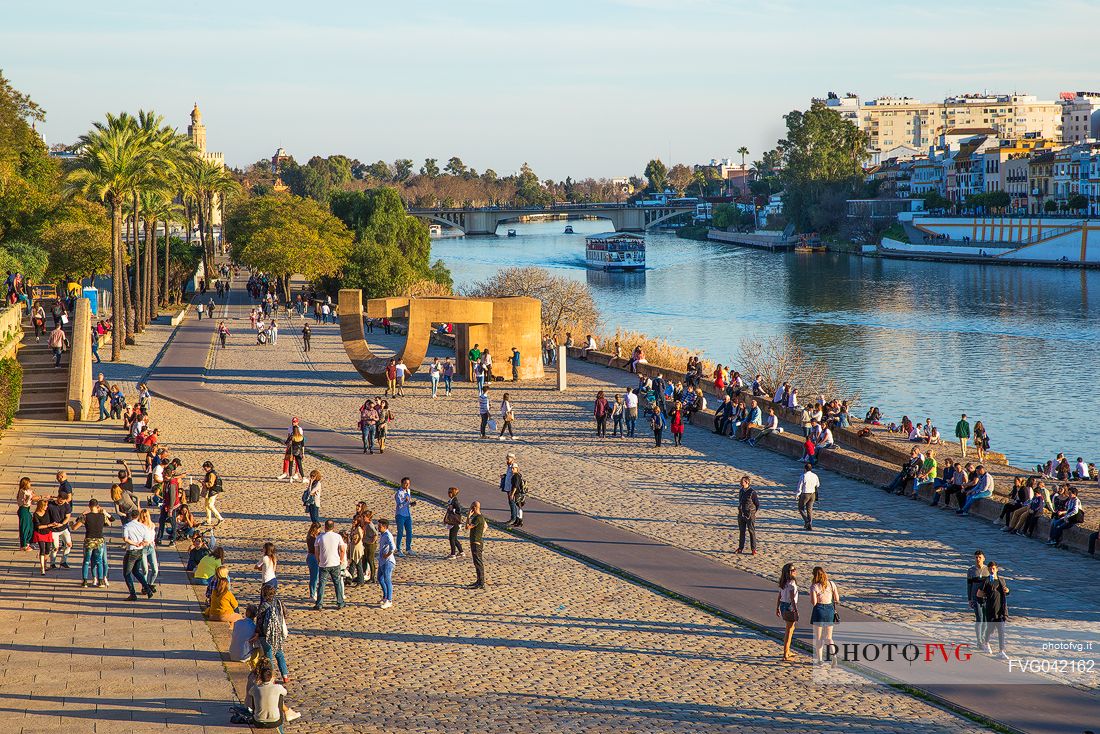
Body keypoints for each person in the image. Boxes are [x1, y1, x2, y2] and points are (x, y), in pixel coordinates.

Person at [254, 583, 290, 684]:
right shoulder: (279, 602)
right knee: (279, 654)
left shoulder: (263, 605)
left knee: (268, 657)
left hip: (266, 636)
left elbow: (259, 622)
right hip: (278, 634)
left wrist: (257, 633)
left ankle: (271, 678)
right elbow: (286, 614)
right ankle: (285, 676)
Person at [975, 560, 1010, 659]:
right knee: (990, 629)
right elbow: (979, 593)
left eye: (993, 569)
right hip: (990, 608)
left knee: (1001, 631)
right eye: (990, 569)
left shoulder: (1001, 580)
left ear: (997, 569)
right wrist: (983, 598)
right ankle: (986, 643)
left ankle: (1001, 651)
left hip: (1001, 609)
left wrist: (1007, 591)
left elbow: (1006, 591)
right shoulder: (986, 581)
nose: (992, 570)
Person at [121, 510, 155, 600]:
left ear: (131, 516)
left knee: (127, 574)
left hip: (131, 551)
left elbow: (125, 539)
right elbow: (147, 541)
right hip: (140, 552)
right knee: (136, 571)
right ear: (138, 516)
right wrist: (141, 544)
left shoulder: (127, 526)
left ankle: (133, 594)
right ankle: (148, 589)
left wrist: (134, 543)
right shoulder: (143, 527)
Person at [314, 519, 347, 610]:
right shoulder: (337, 537)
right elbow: (342, 549)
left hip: (323, 564)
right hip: (335, 563)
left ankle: (319, 603)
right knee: (337, 584)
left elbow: (316, 551)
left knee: (322, 584)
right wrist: (341, 559)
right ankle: (340, 602)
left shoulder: (320, 537)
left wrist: (318, 560)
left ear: (325, 527)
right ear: (333, 527)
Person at [776, 563, 799, 661]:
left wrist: (777, 607)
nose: (795, 571)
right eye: (794, 570)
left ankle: (788, 650)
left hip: (782, 605)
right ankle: (785, 653)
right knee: (789, 631)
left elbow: (779, 596)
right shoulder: (792, 583)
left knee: (790, 628)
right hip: (789, 606)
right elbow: (792, 599)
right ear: (790, 572)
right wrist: (796, 611)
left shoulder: (783, 582)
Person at [736, 476, 759, 554]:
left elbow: (757, 504)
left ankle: (753, 549)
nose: (740, 483)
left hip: (750, 515)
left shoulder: (752, 492)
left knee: (751, 531)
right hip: (741, 514)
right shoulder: (741, 490)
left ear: (747, 482)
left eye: (742, 481)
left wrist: (752, 512)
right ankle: (740, 548)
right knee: (742, 531)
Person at [467, 500, 487, 589]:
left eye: (471, 507)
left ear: (474, 508)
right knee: (477, 562)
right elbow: (486, 526)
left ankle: (481, 583)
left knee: (478, 563)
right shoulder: (481, 517)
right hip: (478, 541)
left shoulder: (477, 518)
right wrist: (480, 534)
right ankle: (478, 581)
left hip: (476, 543)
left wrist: (468, 516)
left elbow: (467, 527)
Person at [377, 518, 396, 608]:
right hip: (382, 561)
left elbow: (393, 547)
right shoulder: (383, 534)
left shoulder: (388, 535)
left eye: (379, 526)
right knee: (380, 579)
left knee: (387, 580)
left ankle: (389, 600)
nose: (378, 528)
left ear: (384, 527)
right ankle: (385, 597)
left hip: (388, 561)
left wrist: (387, 554)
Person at [394, 477, 415, 556]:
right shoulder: (399, 493)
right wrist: (405, 501)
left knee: (409, 531)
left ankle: (408, 548)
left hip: (407, 514)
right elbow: (399, 505)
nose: (407, 485)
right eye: (405, 483)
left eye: (408, 484)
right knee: (400, 532)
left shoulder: (408, 491)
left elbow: (408, 503)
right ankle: (398, 549)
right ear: (402, 483)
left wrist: (411, 503)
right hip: (400, 515)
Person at [15, 477, 37, 552]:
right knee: (24, 528)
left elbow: (33, 501)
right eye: (29, 482)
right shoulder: (22, 491)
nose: (30, 484)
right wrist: (32, 496)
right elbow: (26, 501)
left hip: (27, 510)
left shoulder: (28, 491)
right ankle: (23, 545)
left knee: (31, 526)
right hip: (23, 510)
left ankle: (28, 542)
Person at [201, 461, 225, 526]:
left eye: (205, 468)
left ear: (209, 467)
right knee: (206, 506)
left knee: (210, 505)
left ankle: (220, 518)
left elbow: (210, 484)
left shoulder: (211, 474)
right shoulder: (210, 473)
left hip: (213, 491)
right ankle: (208, 520)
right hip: (210, 491)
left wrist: (204, 483)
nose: (205, 469)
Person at [796, 463, 819, 531]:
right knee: (809, 510)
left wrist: (797, 494)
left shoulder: (803, 476)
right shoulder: (815, 475)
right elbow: (817, 485)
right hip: (813, 494)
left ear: (805, 469)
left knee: (800, 508)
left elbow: (799, 486)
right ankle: (810, 526)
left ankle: (807, 521)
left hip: (805, 494)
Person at [445, 487, 464, 559]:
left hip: (455, 522)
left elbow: (459, 510)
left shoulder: (455, 501)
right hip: (453, 521)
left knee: (451, 538)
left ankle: (453, 554)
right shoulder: (452, 500)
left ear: (454, 493)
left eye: (450, 492)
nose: (448, 494)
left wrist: (452, 509)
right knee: (454, 538)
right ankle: (461, 552)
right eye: (448, 492)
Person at [304, 522, 321, 601]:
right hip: (314, 557)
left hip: (310, 557)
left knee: (313, 577)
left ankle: (313, 592)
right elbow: (315, 549)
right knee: (314, 577)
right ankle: (312, 594)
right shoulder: (313, 538)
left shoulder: (310, 537)